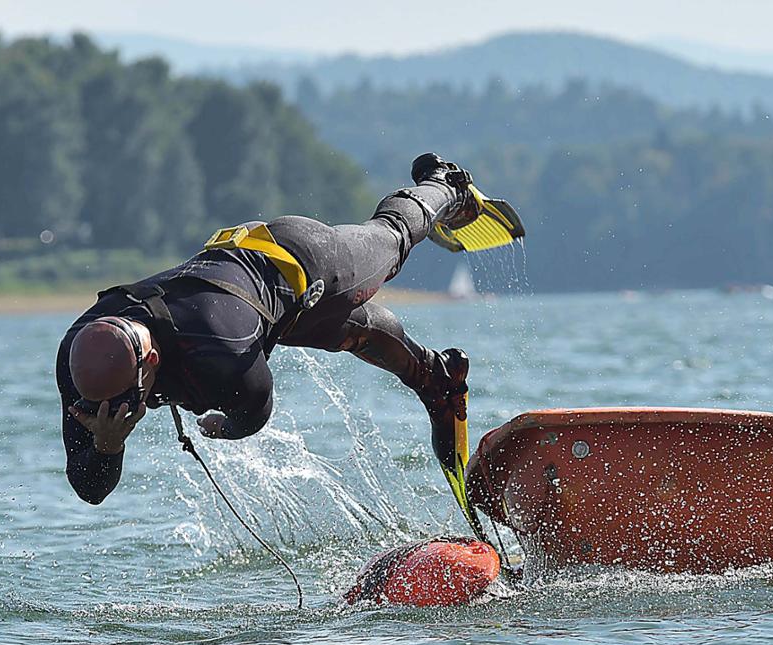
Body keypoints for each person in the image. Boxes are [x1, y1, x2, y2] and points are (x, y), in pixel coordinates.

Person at [58, 153, 481, 505]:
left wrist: (226, 429)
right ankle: (437, 375)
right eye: (103, 405)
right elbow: (89, 489)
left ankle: (445, 185)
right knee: (353, 333)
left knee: (391, 238)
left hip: (307, 259)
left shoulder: (222, 354)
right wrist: (106, 447)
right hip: (267, 307)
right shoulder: (82, 359)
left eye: (127, 398)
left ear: (149, 361)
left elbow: (256, 410)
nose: (113, 411)